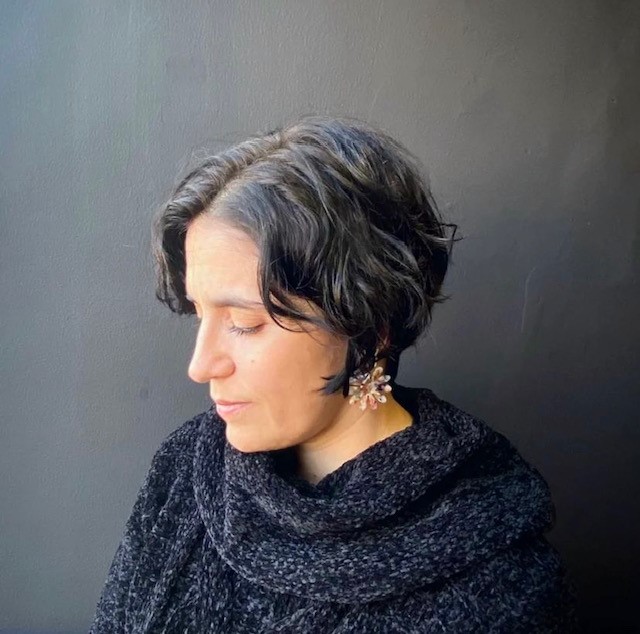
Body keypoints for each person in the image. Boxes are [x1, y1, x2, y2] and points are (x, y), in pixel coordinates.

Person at [89, 115, 579, 632]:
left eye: (245, 324)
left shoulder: (500, 590)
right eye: (199, 314)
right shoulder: (187, 467)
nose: (200, 366)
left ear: (370, 327)